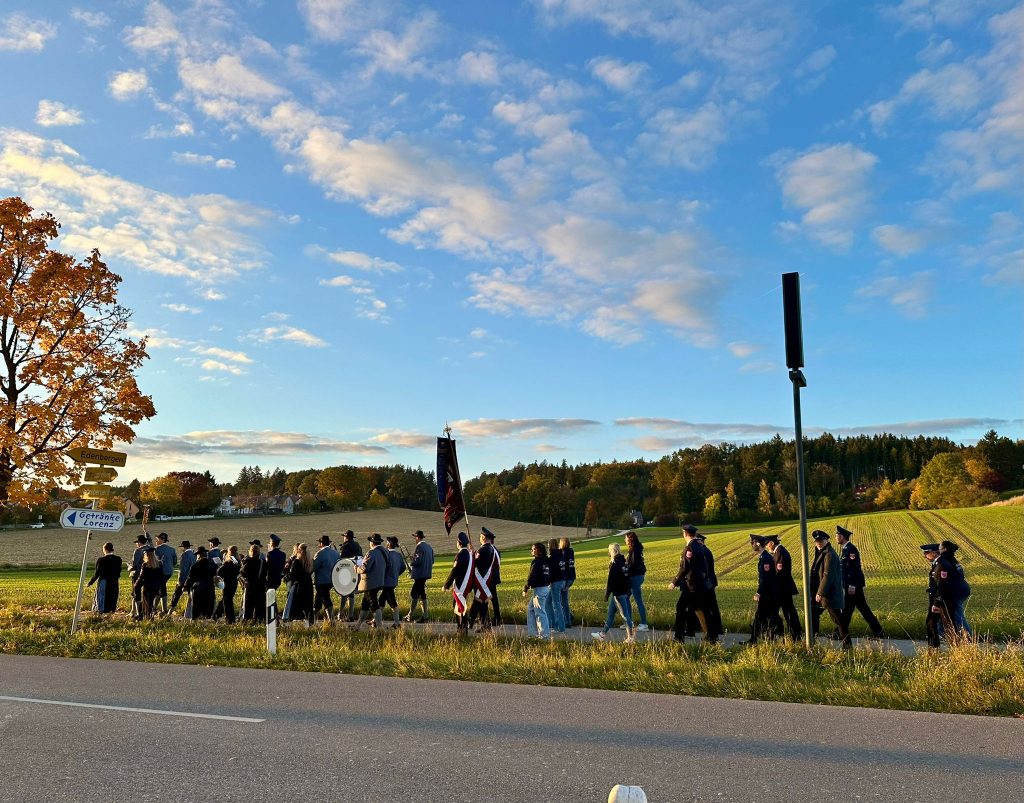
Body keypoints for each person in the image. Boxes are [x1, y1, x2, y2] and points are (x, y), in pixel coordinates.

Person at [835, 525, 886, 639]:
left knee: (851, 610)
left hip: (853, 586)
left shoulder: (850, 549)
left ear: (843, 537)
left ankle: (839, 633)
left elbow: (855, 569)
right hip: (850, 586)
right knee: (857, 610)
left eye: (837, 535)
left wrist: (852, 585)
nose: (836, 537)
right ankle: (879, 632)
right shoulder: (844, 549)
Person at [669, 525, 715, 643]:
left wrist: (674, 582)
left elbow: (685, 567)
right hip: (699, 584)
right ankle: (711, 636)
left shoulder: (690, 548)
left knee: (681, 608)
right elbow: (704, 566)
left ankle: (678, 638)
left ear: (685, 533)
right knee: (703, 609)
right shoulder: (700, 546)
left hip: (691, 586)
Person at [810, 530, 850, 648]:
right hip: (822, 593)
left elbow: (828, 575)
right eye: (817, 541)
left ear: (827, 540)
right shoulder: (821, 552)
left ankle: (847, 646)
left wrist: (820, 592)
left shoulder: (829, 555)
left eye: (821, 541)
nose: (819, 543)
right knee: (813, 615)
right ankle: (812, 641)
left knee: (838, 620)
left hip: (829, 595)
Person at [592, 543, 634, 642]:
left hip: (618, 594)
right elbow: (627, 578)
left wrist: (607, 594)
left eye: (609, 550)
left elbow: (611, 581)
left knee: (625, 616)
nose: (608, 552)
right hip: (624, 592)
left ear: (612, 551)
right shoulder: (623, 563)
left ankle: (630, 637)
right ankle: (602, 635)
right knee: (610, 614)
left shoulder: (614, 564)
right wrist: (628, 591)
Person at [746, 535, 782, 644]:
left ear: (758, 544)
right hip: (768, 593)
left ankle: (767, 638)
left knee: (766, 617)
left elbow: (765, 578)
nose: (752, 545)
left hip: (768, 594)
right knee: (763, 616)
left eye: (753, 542)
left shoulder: (765, 558)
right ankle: (756, 639)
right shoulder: (764, 557)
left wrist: (759, 592)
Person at [934, 540, 972, 641]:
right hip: (962, 588)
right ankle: (941, 633)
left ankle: (968, 637)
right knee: (945, 611)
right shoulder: (953, 559)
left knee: (957, 613)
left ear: (944, 549)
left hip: (954, 591)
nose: (938, 550)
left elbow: (943, 581)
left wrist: (939, 596)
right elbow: (961, 574)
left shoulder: (943, 560)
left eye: (940, 548)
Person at [765, 533, 800, 638]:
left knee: (783, 612)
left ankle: (784, 633)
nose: (767, 547)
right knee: (787, 611)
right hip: (783, 588)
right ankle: (794, 633)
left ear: (771, 543)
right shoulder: (779, 552)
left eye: (767, 545)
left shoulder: (780, 553)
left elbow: (779, 574)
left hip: (782, 589)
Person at [353, 534, 388, 630]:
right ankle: (357, 626)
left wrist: (356, 569)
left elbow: (364, 568)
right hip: (379, 580)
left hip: (370, 582)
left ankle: (380, 628)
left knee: (373, 604)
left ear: (372, 543)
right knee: (365, 604)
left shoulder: (371, 553)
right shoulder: (385, 551)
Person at [468, 527, 500, 631]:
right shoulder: (493, 550)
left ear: (484, 538)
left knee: (479, 601)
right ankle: (481, 623)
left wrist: (472, 553)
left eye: (481, 537)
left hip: (482, 580)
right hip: (488, 579)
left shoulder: (482, 550)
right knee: (482, 601)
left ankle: (473, 621)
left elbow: (475, 563)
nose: (480, 538)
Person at [443, 532, 475, 633]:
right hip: (467, 585)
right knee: (461, 605)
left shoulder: (460, 555)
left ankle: (461, 627)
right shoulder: (470, 555)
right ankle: (462, 627)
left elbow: (454, 571)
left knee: (458, 606)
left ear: (459, 543)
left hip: (460, 585)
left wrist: (446, 585)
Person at [522, 541, 551, 639]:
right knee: (530, 609)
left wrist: (525, 588)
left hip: (539, 590)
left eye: (534, 549)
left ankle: (544, 636)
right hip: (545, 588)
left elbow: (532, 576)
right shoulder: (547, 561)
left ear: (540, 551)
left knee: (540, 612)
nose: (532, 550)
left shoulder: (536, 562)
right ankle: (532, 634)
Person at [404, 530, 434, 623]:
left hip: (420, 574)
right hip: (426, 573)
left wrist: (411, 563)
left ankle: (411, 616)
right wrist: (415, 559)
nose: (414, 539)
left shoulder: (419, 547)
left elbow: (418, 561)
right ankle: (424, 616)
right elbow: (432, 561)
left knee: (414, 593)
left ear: (417, 538)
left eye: (415, 538)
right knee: (422, 594)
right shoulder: (429, 547)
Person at [921, 543, 945, 648]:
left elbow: (940, 586)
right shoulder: (936, 563)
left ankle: (933, 646)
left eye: (926, 552)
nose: (924, 555)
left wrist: (936, 603)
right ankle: (934, 645)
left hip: (938, 599)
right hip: (936, 598)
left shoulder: (940, 565)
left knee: (931, 623)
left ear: (934, 553)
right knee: (932, 622)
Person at [284, 542, 315, 627]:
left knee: (297, 604)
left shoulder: (297, 561)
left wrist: (286, 577)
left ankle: (294, 622)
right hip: (308, 583)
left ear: (299, 550)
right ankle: (310, 622)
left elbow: (293, 575)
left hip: (299, 585)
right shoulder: (310, 560)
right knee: (308, 605)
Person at [312, 535, 340, 625]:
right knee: (319, 598)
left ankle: (331, 620)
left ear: (321, 543)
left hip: (321, 580)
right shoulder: (335, 553)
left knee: (325, 599)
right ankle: (313, 618)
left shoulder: (320, 554)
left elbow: (314, 566)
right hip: (332, 580)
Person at [624, 531, 649, 632]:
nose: (624, 540)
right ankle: (629, 622)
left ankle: (644, 624)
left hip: (634, 577)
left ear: (629, 539)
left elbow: (632, 566)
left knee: (638, 600)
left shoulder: (634, 550)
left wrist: (625, 573)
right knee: (626, 598)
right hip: (637, 576)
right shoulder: (636, 549)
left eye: (625, 538)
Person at [87, 542, 122, 614]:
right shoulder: (118, 559)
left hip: (104, 581)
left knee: (102, 597)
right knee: (113, 597)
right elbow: (119, 572)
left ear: (105, 549)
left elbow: (97, 573)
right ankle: (111, 611)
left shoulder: (101, 560)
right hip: (114, 581)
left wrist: (90, 582)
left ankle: (101, 612)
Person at [380, 536, 406, 628]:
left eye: (387, 542)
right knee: (383, 600)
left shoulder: (386, 554)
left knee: (391, 602)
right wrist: (396, 574)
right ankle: (376, 620)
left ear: (388, 544)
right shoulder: (398, 555)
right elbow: (403, 568)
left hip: (386, 582)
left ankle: (397, 623)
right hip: (393, 581)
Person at [185, 546, 217, 620]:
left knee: (197, 606)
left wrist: (186, 586)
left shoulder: (196, 564)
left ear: (199, 555)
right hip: (210, 587)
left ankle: (196, 620)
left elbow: (191, 577)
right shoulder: (212, 563)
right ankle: (207, 618)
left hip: (199, 588)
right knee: (208, 605)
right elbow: (215, 575)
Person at [339, 530, 363, 621]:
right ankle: (351, 615)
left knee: (344, 592)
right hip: (356, 570)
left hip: (347, 571)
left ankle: (341, 614)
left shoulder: (345, 546)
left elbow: (342, 560)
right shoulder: (357, 545)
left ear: (346, 537)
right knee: (351, 592)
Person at [133, 547, 164, 619]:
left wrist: (136, 585)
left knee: (147, 603)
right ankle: (146, 615)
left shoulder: (145, 565)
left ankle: (147, 617)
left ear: (146, 556)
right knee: (150, 603)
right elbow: (161, 576)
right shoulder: (159, 564)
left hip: (147, 587)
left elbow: (141, 577)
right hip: (156, 587)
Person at [240, 542, 267, 623]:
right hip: (260, 585)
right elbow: (265, 573)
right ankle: (259, 620)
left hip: (250, 586)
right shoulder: (262, 562)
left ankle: (247, 620)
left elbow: (243, 572)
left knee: (248, 605)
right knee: (260, 605)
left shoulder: (247, 561)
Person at [167, 540, 195, 616]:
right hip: (192, 579)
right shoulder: (193, 554)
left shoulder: (184, 555)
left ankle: (169, 612)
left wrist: (180, 581)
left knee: (176, 596)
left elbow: (183, 569)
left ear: (183, 547)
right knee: (192, 597)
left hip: (184, 579)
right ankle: (191, 613)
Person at [215, 544, 241, 624]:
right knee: (227, 599)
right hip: (234, 583)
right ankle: (217, 614)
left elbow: (219, 572)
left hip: (226, 583)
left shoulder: (227, 563)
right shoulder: (238, 562)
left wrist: (220, 565)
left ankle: (230, 618)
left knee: (227, 601)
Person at [545, 537, 566, 633]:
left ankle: (560, 627)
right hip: (562, 580)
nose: (547, 546)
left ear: (551, 546)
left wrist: (548, 582)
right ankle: (552, 624)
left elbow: (551, 572)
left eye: (548, 545)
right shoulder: (560, 554)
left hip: (556, 582)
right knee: (547, 602)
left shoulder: (553, 557)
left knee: (556, 604)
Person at [153, 532, 177, 615]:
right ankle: (155, 608)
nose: (156, 541)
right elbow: (174, 562)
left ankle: (163, 610)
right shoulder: (172, 549)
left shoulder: (157, 549)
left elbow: (154, 562)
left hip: (160, 572)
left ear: (162, 539)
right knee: (160, 589)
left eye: (157, 539)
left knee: (162, 590)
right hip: (169, 572)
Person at [129, 534, 149, 620]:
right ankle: (134, 611)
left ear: (139, 543)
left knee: (136, 593)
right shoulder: (150, 548)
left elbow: (134, 565)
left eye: (137, 542)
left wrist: (129, 566)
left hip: (138, 574)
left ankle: (138, 612)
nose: (136, 544)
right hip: (148, 574)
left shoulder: (138, 551)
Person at [559, 536, 575, 627]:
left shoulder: (563, 553)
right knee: (563, 600)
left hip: (565, 578)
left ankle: (568, 621)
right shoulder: (571, 551)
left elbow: (564, 568)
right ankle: (569, 617)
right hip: (571, 578)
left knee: (562, 601)